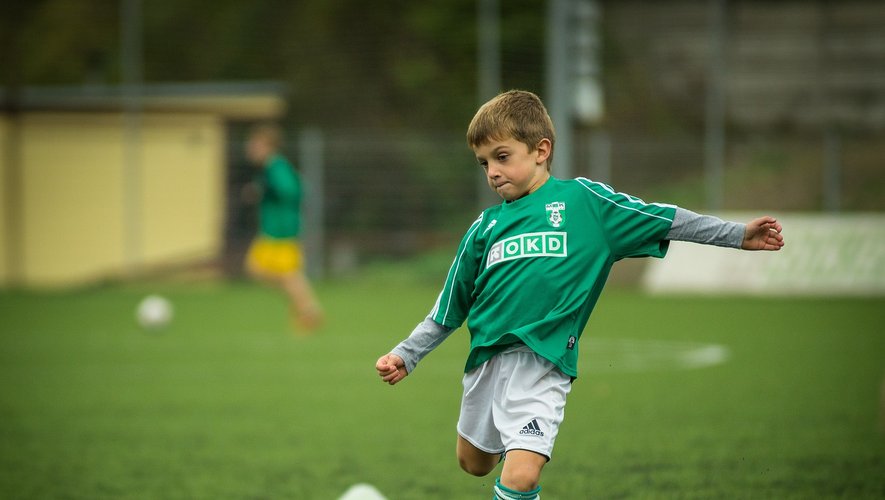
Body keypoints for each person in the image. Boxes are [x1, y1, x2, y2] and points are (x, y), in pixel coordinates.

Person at [375, 90, 784, 499]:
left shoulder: (584, 203)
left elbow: (663, 218)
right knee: (473, 462)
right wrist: (407, 354)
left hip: (543, 363)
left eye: (502, 157)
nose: (492, 172)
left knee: (521, 478)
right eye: (484, 163)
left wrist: (735, 235)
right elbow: (449, 307)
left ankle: (520, 453)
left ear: (541, 150)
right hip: (486, 362)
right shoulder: (485, 226)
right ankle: (507, 440)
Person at [243, 123, 323, 334]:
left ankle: (308, 310)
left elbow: (293, 189)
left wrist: (266, 190)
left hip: (281, 231)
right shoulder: (269, 169)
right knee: (260, 270)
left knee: (287, 275)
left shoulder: (276, 167)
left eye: (255, 144)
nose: (250, 148)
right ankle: (305, 307)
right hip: (272, 230)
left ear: (268, 146)